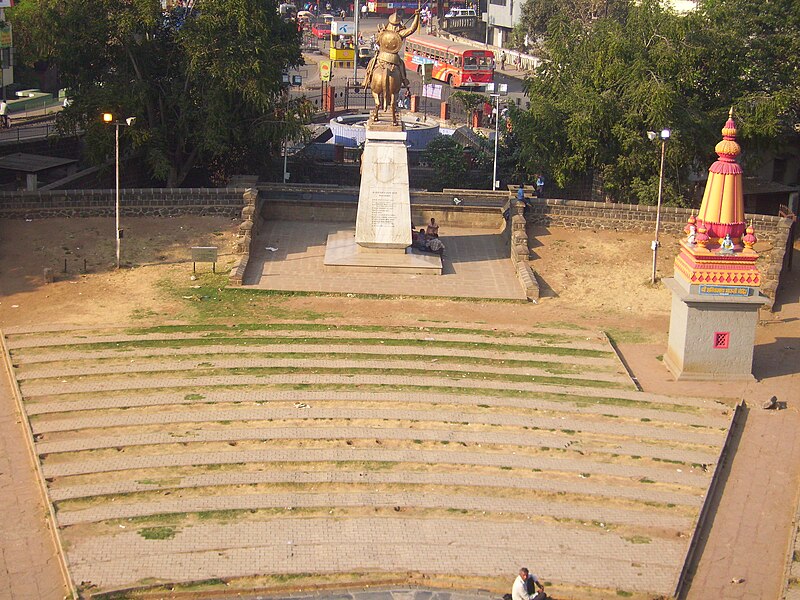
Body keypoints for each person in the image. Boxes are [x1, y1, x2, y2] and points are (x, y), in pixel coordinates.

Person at [363, 9, 420, 91]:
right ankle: (404, 79)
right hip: (394, 58)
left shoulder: (383, 32)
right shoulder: (400, 33)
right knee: (401, 65)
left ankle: (366, 80)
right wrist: (417, 16)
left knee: (371, 64)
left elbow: (378, 42)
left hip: (381, 57)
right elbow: (412, 29)